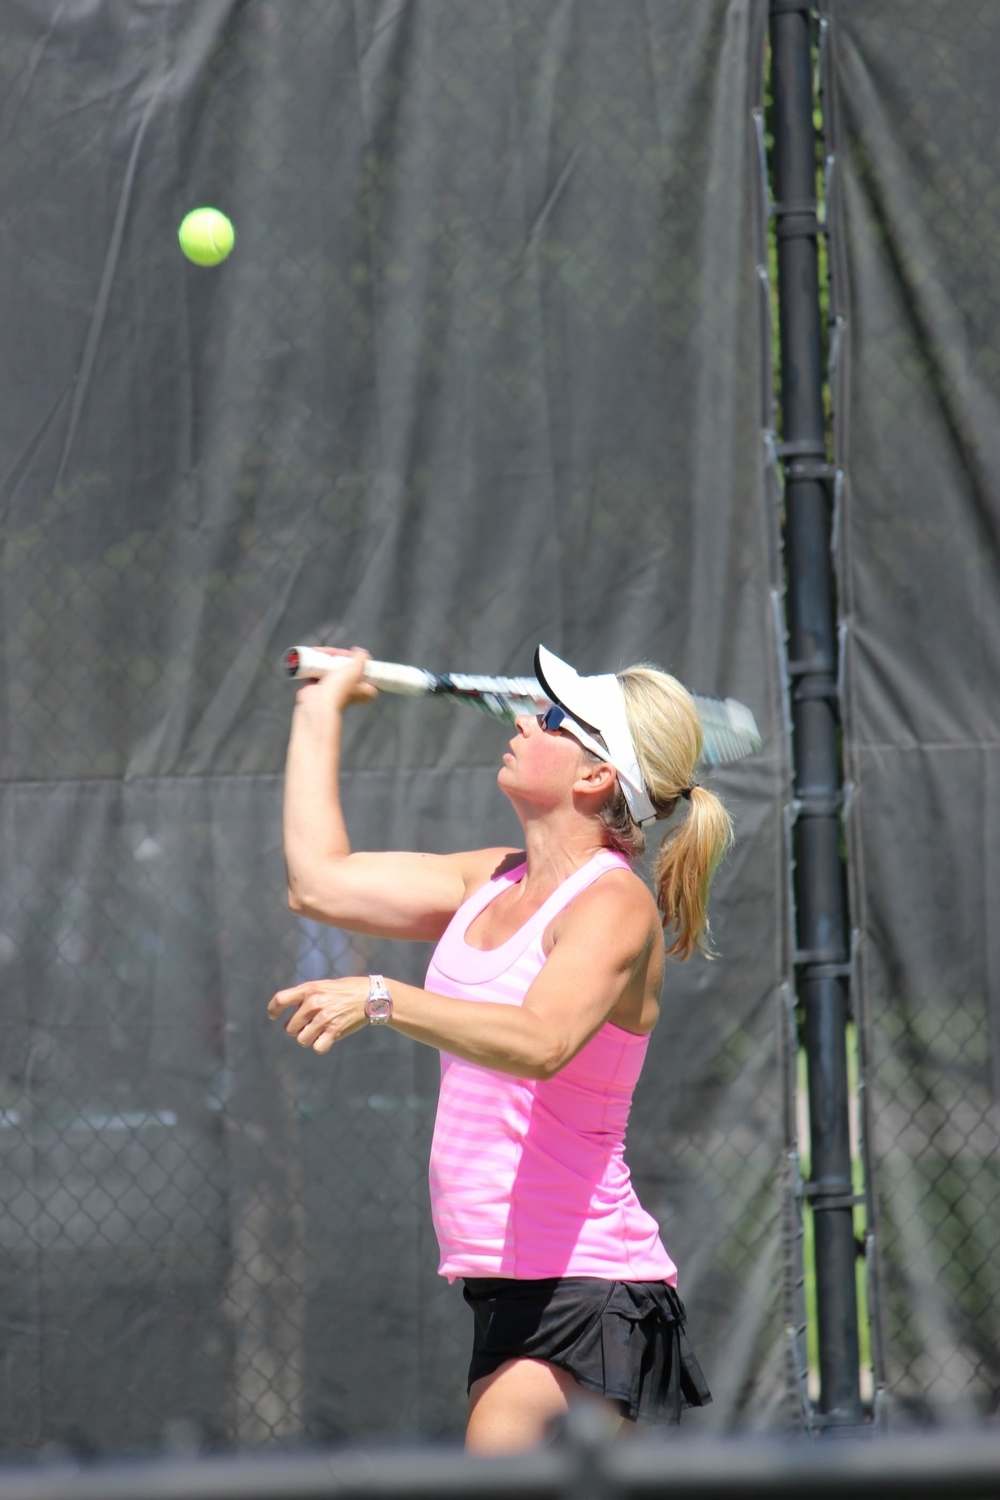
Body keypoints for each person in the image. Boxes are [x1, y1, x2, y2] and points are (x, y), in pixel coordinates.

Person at [268, 644, 733, 1453]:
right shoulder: (490, 880)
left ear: (595, 776)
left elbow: (543, 1041)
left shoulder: (614, 906)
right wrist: (321, 705)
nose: (523, 722)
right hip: (509, 1283)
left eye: (551, 720)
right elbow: (318, 882)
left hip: (588, 1287)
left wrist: (384, 997)